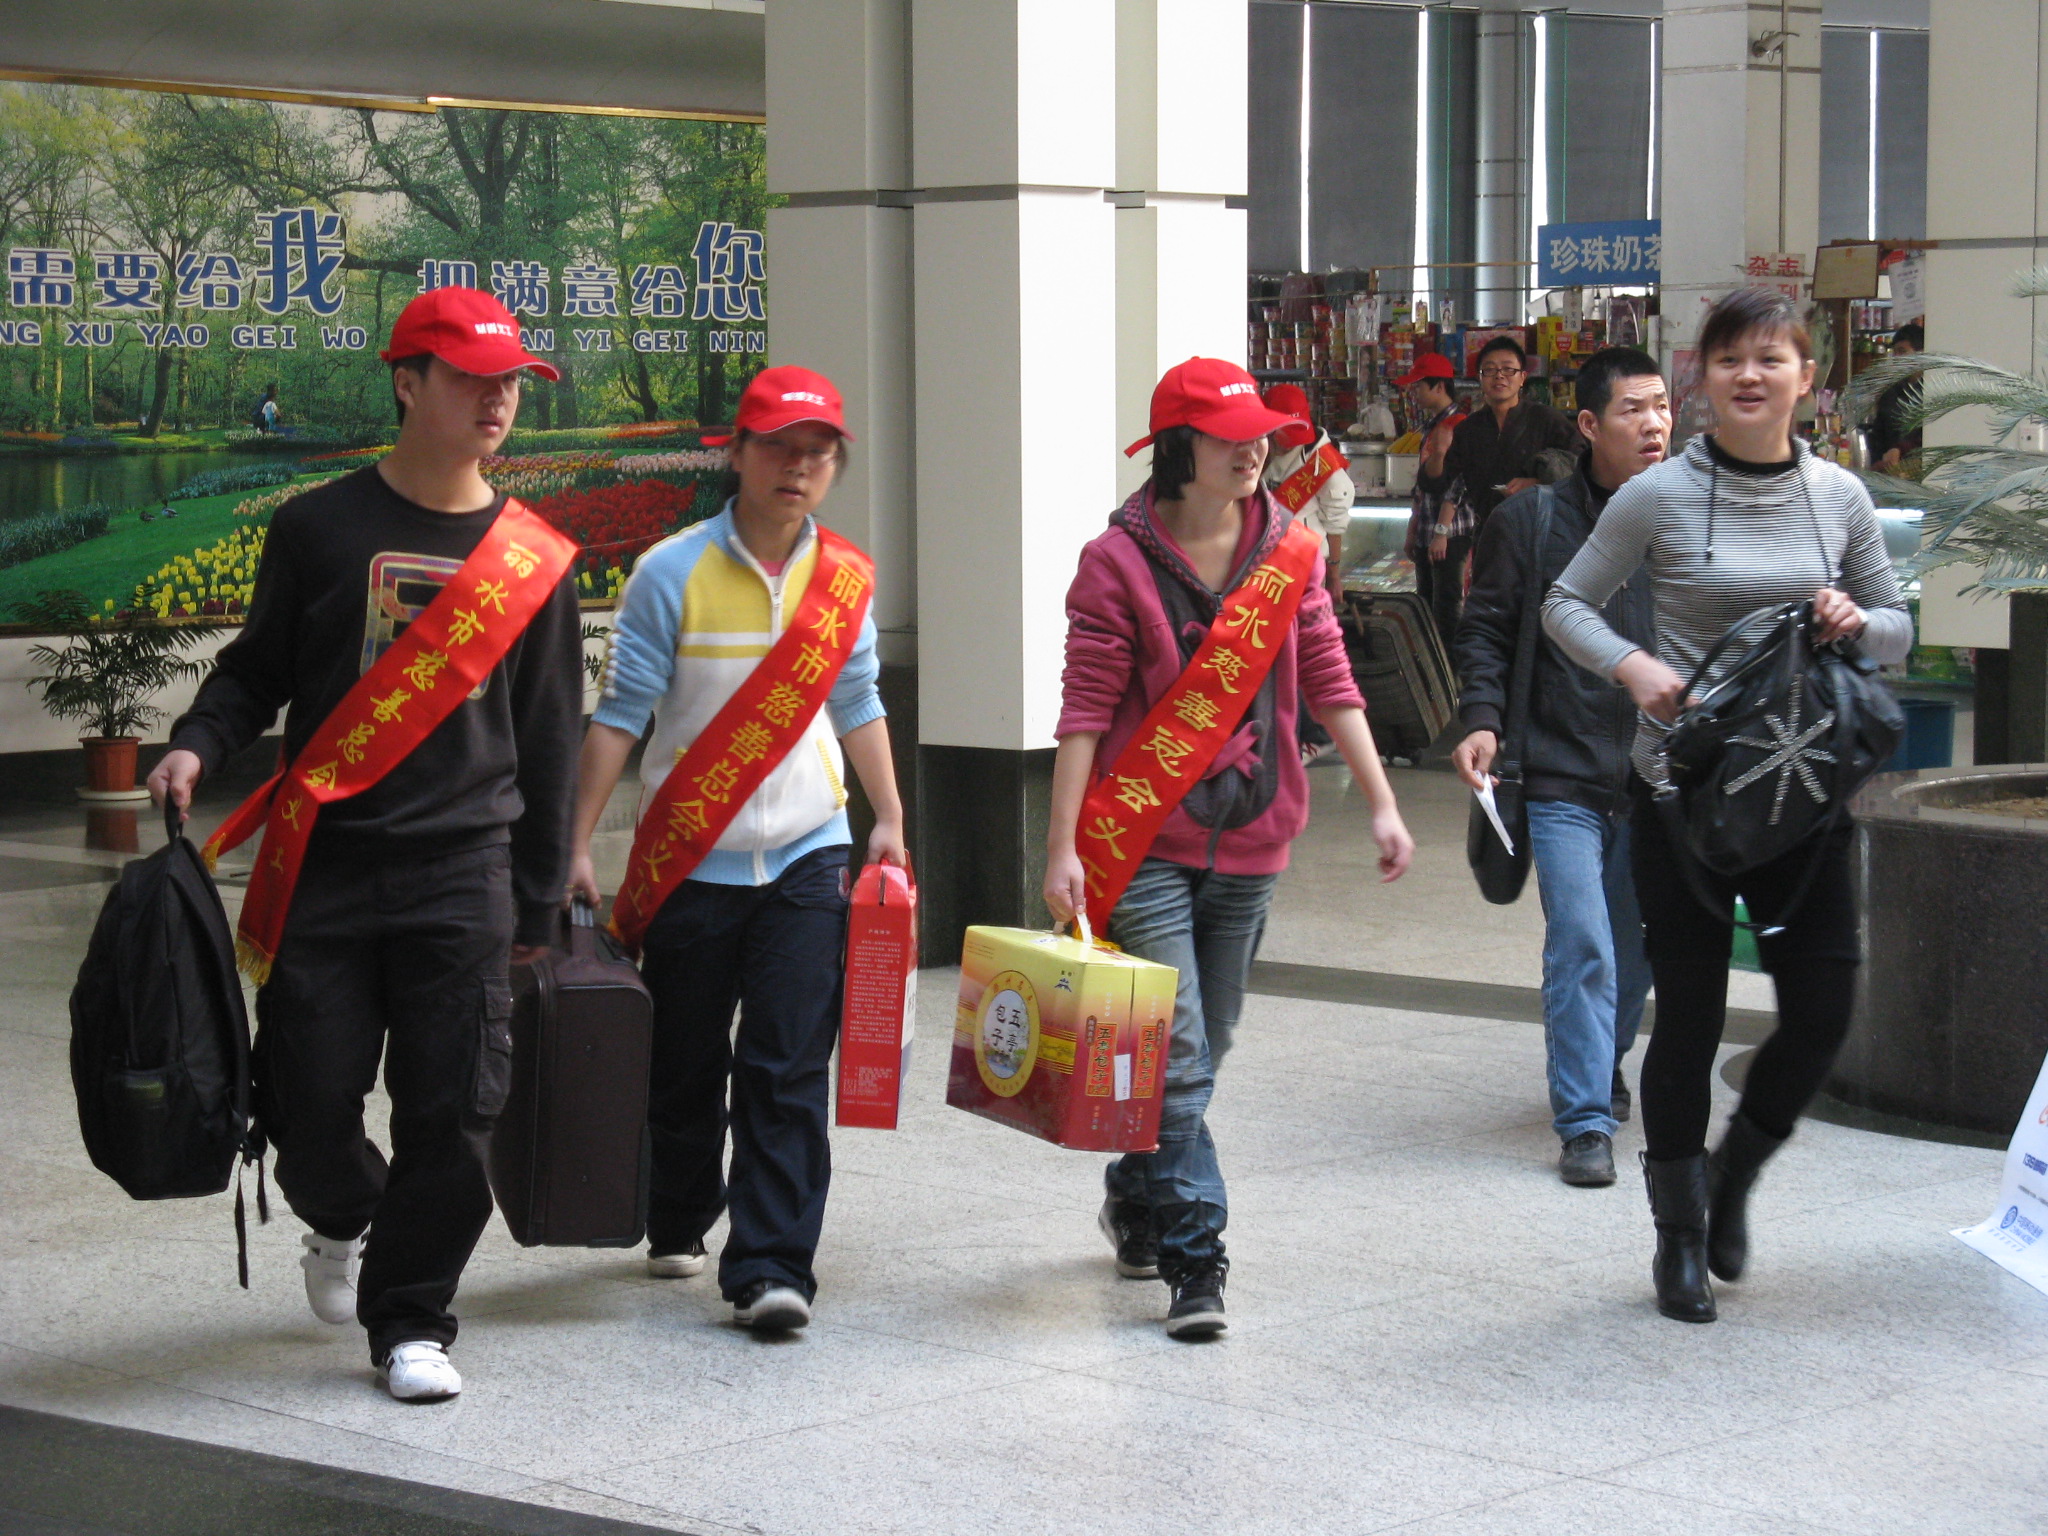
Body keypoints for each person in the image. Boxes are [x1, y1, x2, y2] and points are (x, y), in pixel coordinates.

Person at [148, 287, 584, 1401]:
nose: (497, 400)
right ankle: (344, 1213)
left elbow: (548, 740)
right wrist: (198, 743)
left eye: (511, 382)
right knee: (308, 1105)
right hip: (326, 867)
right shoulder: (317, 528)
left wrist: (539, 903)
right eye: (472, 378)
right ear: (406, 382)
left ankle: (411, 1322)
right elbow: (256, 669)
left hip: (465, 873)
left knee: (455, 1110)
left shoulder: (535, 560)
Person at [1543, 288, 1912, 1324]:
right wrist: (1633, 668)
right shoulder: (1657, 494)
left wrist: (1855, 618)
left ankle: (1735, 1168)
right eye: (1728, 359)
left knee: (1822, 1011)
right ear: (1701, 377)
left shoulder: (1837, 496)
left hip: (1802, 797)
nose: (1749, 376)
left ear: (1806, 379)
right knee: (1691, 1019)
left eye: (1770, 358)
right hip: (1681, 797)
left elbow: (1897, 628)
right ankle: (1678, 1234)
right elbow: (1565, 602)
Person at [1044, 357, 1415, 1340]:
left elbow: (1329, 677)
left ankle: (1136, 1193)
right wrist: (1061, 846)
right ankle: (1195, 1259)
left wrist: (1381, 804)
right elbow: (1084, 710)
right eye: (1229, 436)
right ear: (1178, 447)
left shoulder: (1291, 550)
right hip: (1144, 845)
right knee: (1178, 1060)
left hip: (1255, 838)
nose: (1253, 451)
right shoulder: (1114, 562)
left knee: (1203, 1049)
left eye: (1260, 436)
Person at [566, 364, 906, 1336]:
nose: (798, 468)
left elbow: (858, 700)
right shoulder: (669, 572)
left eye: (818, 453)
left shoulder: (843, 580)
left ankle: (769, 1266)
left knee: (786, 1064)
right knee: (683, 1064)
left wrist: (887, 817)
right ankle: (679, 1212)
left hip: (808, 854)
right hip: (690, 862)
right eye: (779, 448)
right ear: (738, 452)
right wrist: (575, 843)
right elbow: (621, 714)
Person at [1451, 347, 1668, 1188]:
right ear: (1588, 424)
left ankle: (1601, 1059)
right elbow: (1485, 628)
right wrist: (1482, 719)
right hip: (1559, 769)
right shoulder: (1532, 522)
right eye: (1632, 410)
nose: (1653, 425)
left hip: (1656, 776)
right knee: (1580, 939)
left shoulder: (1686, 520)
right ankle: (1583, 1121)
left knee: (1635, 949)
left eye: (1662, 407)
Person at [1416, 336, 1577, 646]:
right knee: (1494, 628)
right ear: (1480, 379)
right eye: (1489, 370)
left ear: (1522, 378)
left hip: (1543, 540)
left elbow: (1581, 466)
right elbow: (1435, 484)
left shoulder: (1547, 421)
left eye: (1507, 369)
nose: (1499, 376)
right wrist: (1439, 452)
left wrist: (1538, 482)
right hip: (1490, 542)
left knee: (1543, 629)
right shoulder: (1469, 429)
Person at [1395, 353, 1468, 649]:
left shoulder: (1459, 425)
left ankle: (1449, 670)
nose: (1413, 392)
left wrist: (1441, 531)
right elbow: (1423, 487)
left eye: (1418, 386)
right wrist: (1414, 529)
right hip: (1429, 530)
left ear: (1438, 386)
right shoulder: (1433, 425)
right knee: (1426, 607)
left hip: (1450, 534)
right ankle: (1432, 667)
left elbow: (1459, 483)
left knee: (1447, 611)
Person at [1259, 383, 1354, 604]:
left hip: (1305, 563)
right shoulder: (1253, 450)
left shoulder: (1324, 462)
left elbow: (1335, 521)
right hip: (1260, 561)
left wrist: (1333, 574)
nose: (1288, 445)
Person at [1869, 322, 1923, 472]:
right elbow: (1879, 433)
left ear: (1921, 354)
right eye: (1895, 352)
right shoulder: (1890, 391)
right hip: (1887, 469)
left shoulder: (1930, 391)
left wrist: (1900, 450)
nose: (1897, 357)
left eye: (1902, 351)